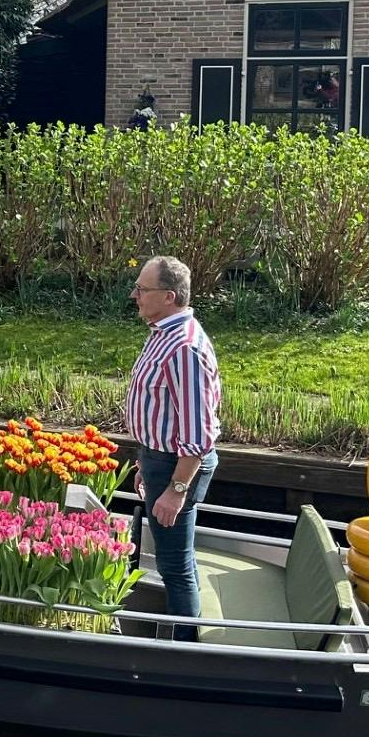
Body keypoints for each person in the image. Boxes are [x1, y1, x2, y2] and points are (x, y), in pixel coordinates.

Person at [127, 255, 221, 642]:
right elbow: (161, 411)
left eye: (142, 289)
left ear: (169, 296)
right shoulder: (163, 332)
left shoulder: (183, 347)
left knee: (174, 564)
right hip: (159, 460)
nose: (134, 296)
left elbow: (198, 432)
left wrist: (175, 489)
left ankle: (185, 650)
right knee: (173, 558)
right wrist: (143, 461)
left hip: (175, 466)